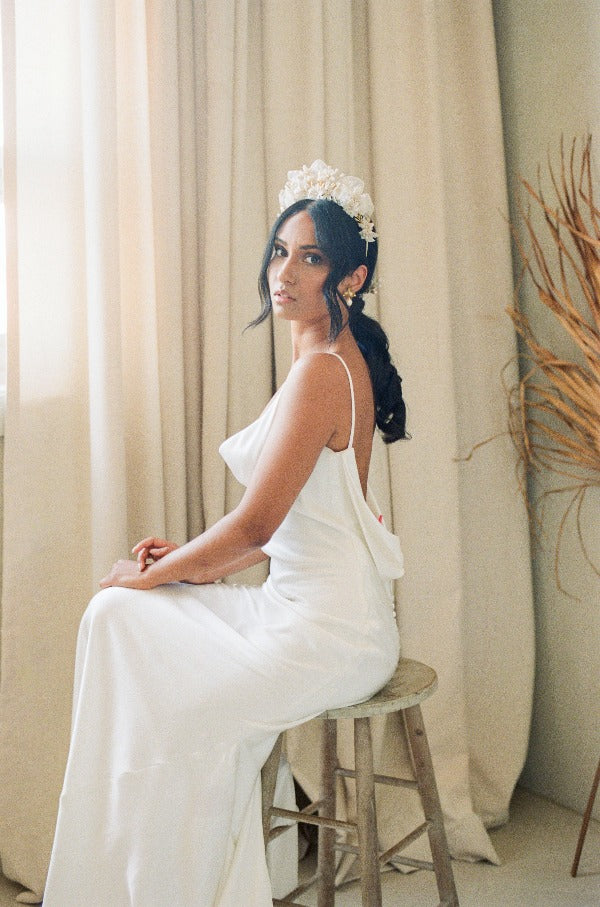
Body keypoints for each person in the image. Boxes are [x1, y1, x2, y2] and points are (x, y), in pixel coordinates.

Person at [43, 161, 408, 906]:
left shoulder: (323, 371)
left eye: (311, 257)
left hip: (332, 631)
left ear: (352, 276)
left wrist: (162, 570)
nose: (284, 272)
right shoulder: (319, 357)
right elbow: (270, 528)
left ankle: (173, 883)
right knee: (115, 617)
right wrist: (177, 563)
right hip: (296, 608)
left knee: (162, 684)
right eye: (280, 251)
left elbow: (255, 526)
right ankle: (117, 879)